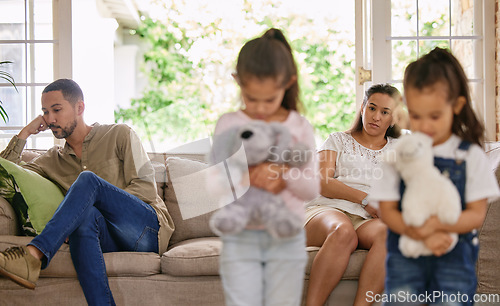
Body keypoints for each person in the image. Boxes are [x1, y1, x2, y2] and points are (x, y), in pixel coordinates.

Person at [0, 79, 174, 305]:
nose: (50, 119)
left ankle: (35, 254)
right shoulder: (52, 160)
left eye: (57, 110)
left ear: (79, 108)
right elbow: (5, 172)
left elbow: (145, 188)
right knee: (85, 218)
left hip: (146, 230)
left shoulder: (119, 134)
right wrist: (24, 134)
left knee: (88, 181)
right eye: (45, 112)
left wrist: (94, 198)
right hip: (106, 236)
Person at [370, 47, 500, 305]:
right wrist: (416, 232)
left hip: (452, 262)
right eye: (417, 116)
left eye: (435, 116)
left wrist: (438, 228)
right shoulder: (400, 154)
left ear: (457, 106)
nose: (425, 125)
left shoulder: (470, 156)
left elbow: (476, 214)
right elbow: (386, 209)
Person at [211, 28, 319, 306]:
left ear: (288, 83)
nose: (259, 109)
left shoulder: (298, 127)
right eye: (251, 97)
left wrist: (283, 173)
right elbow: (214, 183)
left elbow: (311, 189)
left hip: (287, 238)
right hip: (240, 239)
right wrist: (246, 177)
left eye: (269, 99)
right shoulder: (229, 125)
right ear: (238, 82)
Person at [304, 83, 403, 306]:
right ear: (362, 108)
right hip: (328, 209)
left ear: (393, 118)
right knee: (343, 232)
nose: (376, 116)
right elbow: (323, 182)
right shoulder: (337, 140)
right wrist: (365, 200)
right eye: (372, 108)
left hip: (367, 220)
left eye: (385, 112)